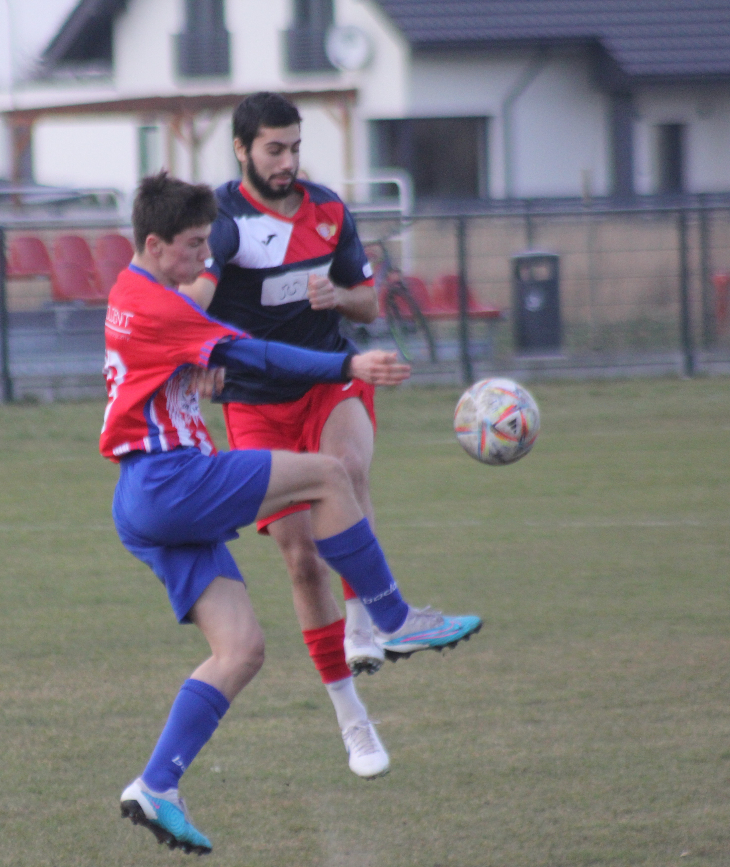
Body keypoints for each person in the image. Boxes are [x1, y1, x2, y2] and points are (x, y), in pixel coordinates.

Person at [106, 172, 420, 854]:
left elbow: (171, 364)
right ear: (156, 244)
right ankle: (394, 620)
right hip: (172, 480)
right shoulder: (159, 303)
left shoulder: (136, 293)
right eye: (193, 246)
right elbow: (258, 353)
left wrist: (193, 374)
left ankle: (156, 784)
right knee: (331, 475)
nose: (202, 259)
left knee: (241, 648)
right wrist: (349, 366)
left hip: (145, 497)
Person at [181, 92, 481, 772]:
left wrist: (335, 296)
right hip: (256, 403)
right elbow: (188, 306)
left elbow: (369, 303)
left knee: (344, 467)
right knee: (299, 556)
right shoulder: (223, 223)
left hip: (330, 376)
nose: (287, 162)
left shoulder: (330, 211)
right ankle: (354, 719)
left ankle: (365, 623)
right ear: (241, 150)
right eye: (273, 149)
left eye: (294, 147)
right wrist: (194, 359)